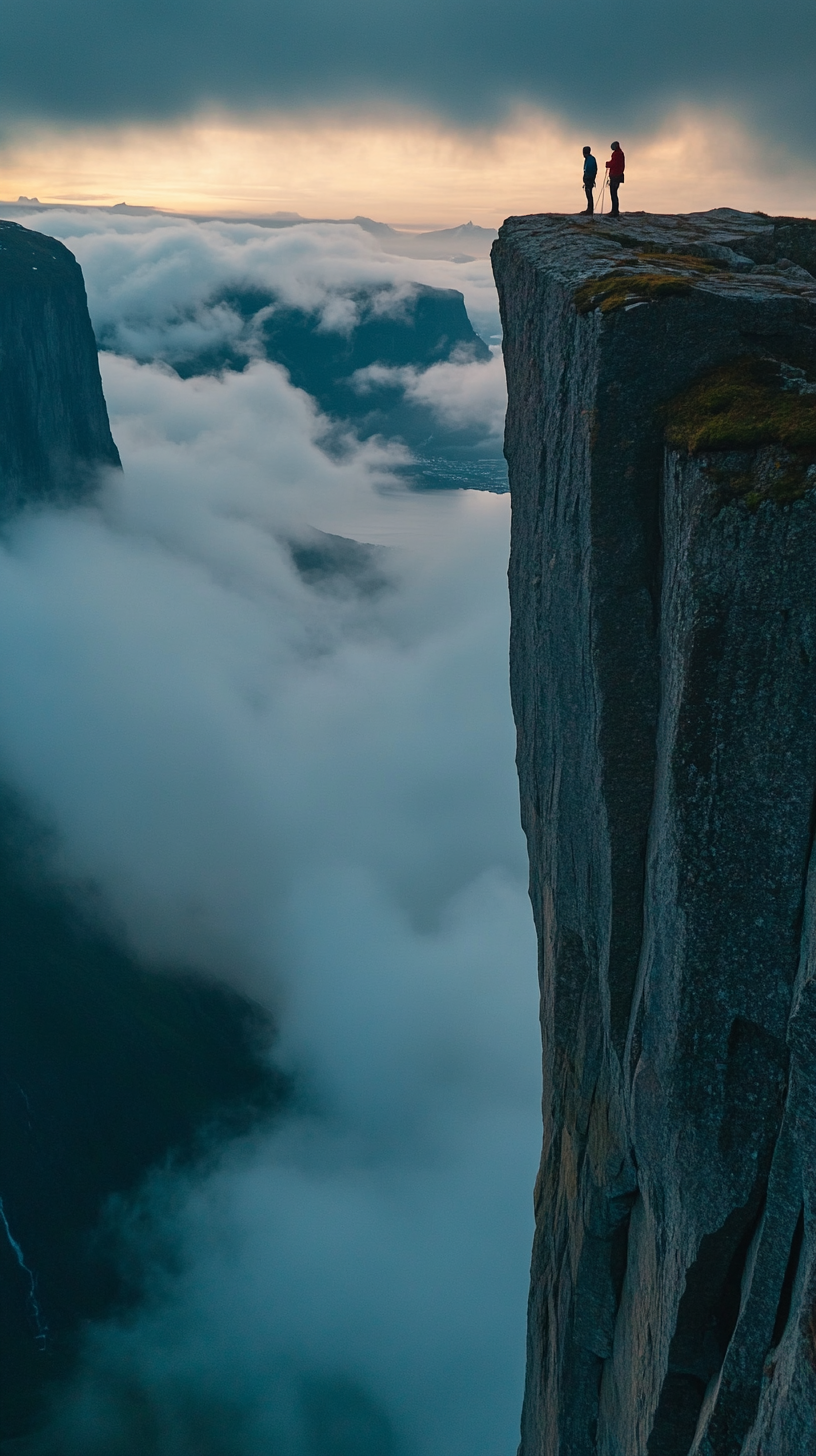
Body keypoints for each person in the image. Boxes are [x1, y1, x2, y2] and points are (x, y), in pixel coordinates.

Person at [605, 141, 625, 217]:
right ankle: (614, 210)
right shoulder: (620, 153)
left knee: (613, 193)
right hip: (617, 175)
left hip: (615, 176)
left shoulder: (617, 154)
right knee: (614, 193)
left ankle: (615, 211)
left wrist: (607, 164)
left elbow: (614, 163)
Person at [581, 146, 598, 215]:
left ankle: (590, 209)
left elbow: (589, 170)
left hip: (589, 179)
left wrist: (588, 178)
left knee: (589, 193)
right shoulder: (591, 159)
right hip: (590, 178)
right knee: (589, 193)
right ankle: (589, 209)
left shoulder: (590, 159)